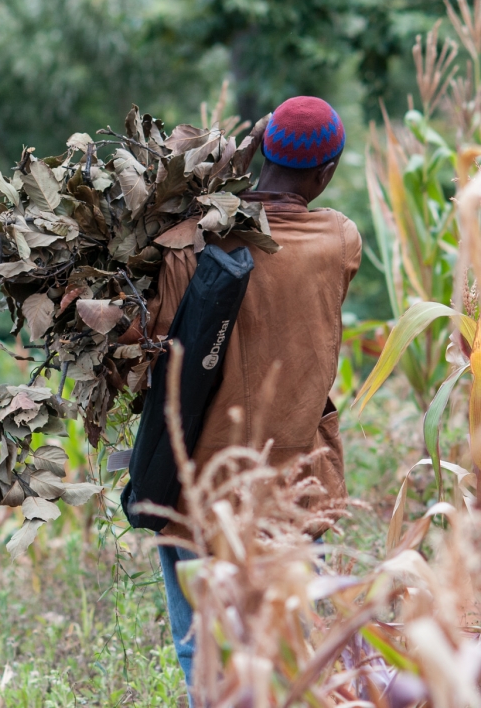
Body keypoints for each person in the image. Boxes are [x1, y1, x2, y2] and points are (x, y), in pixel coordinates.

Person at [135, 97, 362, 692]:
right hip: (290, 495)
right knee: (289, 663)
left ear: (262, 149)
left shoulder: (186, 247)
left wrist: (237, 158)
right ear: (325, 175)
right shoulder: (337, 241)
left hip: (197, 496)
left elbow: (147, 338)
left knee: (204, 662)